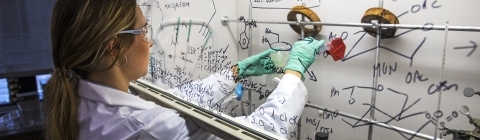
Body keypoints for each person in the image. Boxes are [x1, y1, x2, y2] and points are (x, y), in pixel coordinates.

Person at [43, 0, 325, 140]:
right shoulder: (148, 129)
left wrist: (234, 73)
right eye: (143, 30)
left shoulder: (80, 93)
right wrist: (293, 74)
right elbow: (258, 135)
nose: (149, 40)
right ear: (114, 46)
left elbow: (173, 101)